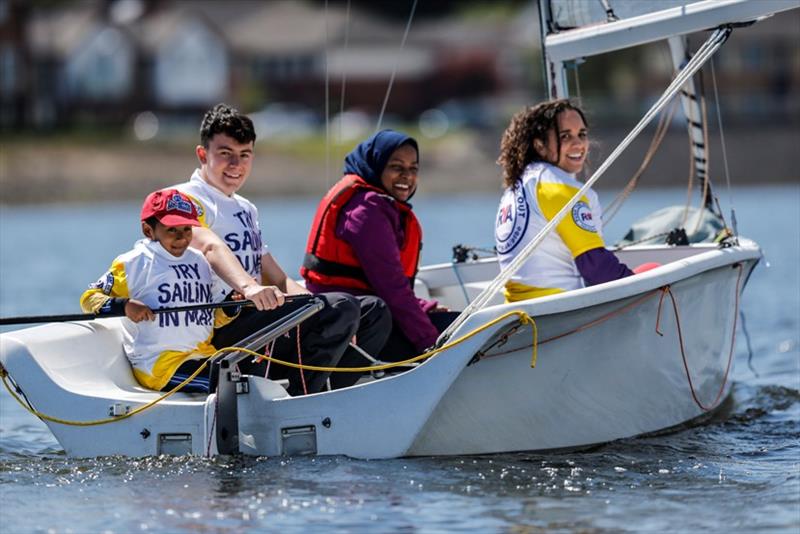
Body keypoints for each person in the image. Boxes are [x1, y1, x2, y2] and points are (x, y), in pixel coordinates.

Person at [172, 103, 388, 395]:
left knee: (371, 310)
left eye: (244, 155)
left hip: (258, 316)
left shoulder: (246, 208)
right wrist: (249, 288)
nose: (236, 165)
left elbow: (278, 278)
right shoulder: (184, 198)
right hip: (220, 323)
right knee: (341, 307)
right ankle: (299, 402)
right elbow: (209, 246)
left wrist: (314, 306)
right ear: (203, 154)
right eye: (226, 154)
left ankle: (332, 396)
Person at [301, 129, 458, 369]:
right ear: (377, 165)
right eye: (396, 167)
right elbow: (391, 289)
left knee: (455, 323)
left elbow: (382, 285)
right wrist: (431, 345)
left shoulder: (376, 204)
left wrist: (425, 309)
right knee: (461, 332)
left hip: (368, 312)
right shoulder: (366, 211)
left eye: (413, 169)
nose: (406, 176)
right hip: (354, 326)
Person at [80, 189, 238, 392]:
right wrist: (125, 305)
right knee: (231, 386)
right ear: (148, 230)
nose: (181, 238)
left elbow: (211, 319)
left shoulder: (200, 261)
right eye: (172, 230)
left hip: (206, 354)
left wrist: (230, 306)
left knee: (255, 376)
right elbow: (89, 299)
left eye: (187, 229)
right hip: (160, 366)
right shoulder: (132, 263)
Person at [494, 99, 633, 302]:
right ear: (540, 146)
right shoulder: (558, 187)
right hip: (558, 309)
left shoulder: (517, 186)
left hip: (518, 312)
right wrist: (646, 287)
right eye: (565, 136)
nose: (578, 144)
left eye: (582, 135)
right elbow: (596, 269)